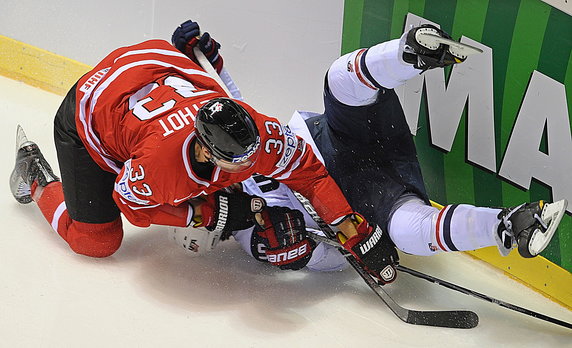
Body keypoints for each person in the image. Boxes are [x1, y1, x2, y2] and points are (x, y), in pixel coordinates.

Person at [9, 20, 398, 284]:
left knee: (236, 169)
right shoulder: (160, 169)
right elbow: (130, 204)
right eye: (238, 161)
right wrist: (208, 214)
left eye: (252, 153)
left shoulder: (257, 132)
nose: (252, 163)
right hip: (93, 107)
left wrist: (352, 228)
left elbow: (309, 174)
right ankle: (34, 175)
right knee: (96, 242)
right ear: (207, 152)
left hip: (156, 66)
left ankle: (183, 52)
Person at [171, 23, 567, 282]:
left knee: (339, 79)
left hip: (333, 139)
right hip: (363, 195)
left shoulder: (211, 152)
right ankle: (509, 224)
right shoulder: (248, 233)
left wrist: (209, 63)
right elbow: (320, 257)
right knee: (407, 233)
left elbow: (232, 109)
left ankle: (410, 52)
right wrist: (322, 253)